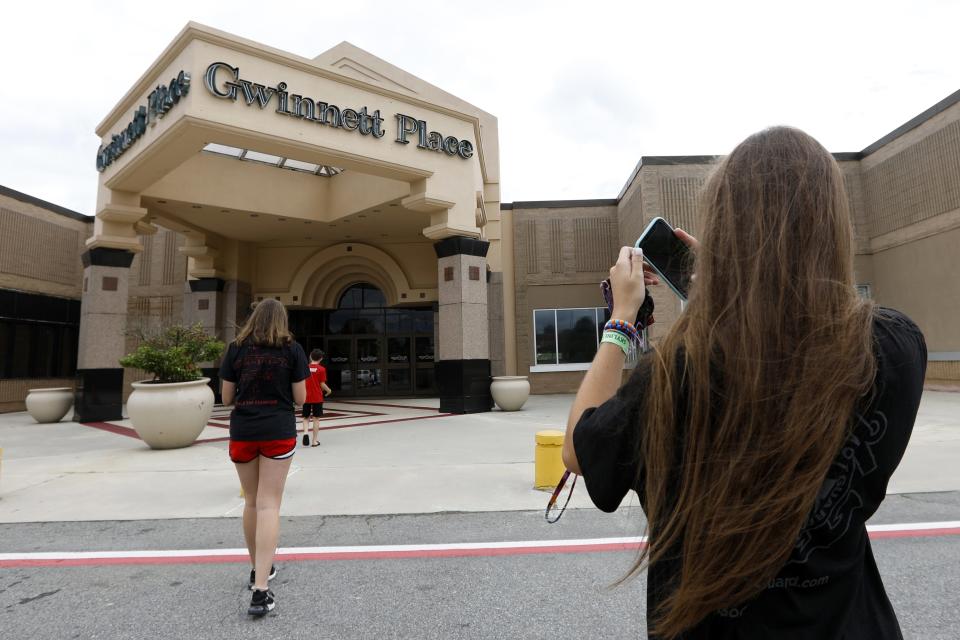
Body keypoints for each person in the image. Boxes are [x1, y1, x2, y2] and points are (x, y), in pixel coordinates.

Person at [562, 127, 927, 639]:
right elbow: (788, 339)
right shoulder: (895, 348)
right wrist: (736, 286)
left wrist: (622, 320)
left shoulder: (672, 379)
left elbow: (580, 451)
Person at [219, 299, 310, 617]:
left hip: (243, 430)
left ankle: (257, 569)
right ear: (281, 320)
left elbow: (227, 397)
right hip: (277, 429)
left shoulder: (236, 348)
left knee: (252, 502)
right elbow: (301, 398)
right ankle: (261, 590)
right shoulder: (292, 350)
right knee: (270, 503)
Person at [302, 348, 332, 447]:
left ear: (310, 357)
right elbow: (322, 384)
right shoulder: (321, 369)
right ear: (321, 359)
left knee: (306, 417)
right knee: (316, 418)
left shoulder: (305, 368)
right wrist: (329, 391)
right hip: (317, 397)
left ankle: (305, 433)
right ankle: (314, 441)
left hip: (306, 396)